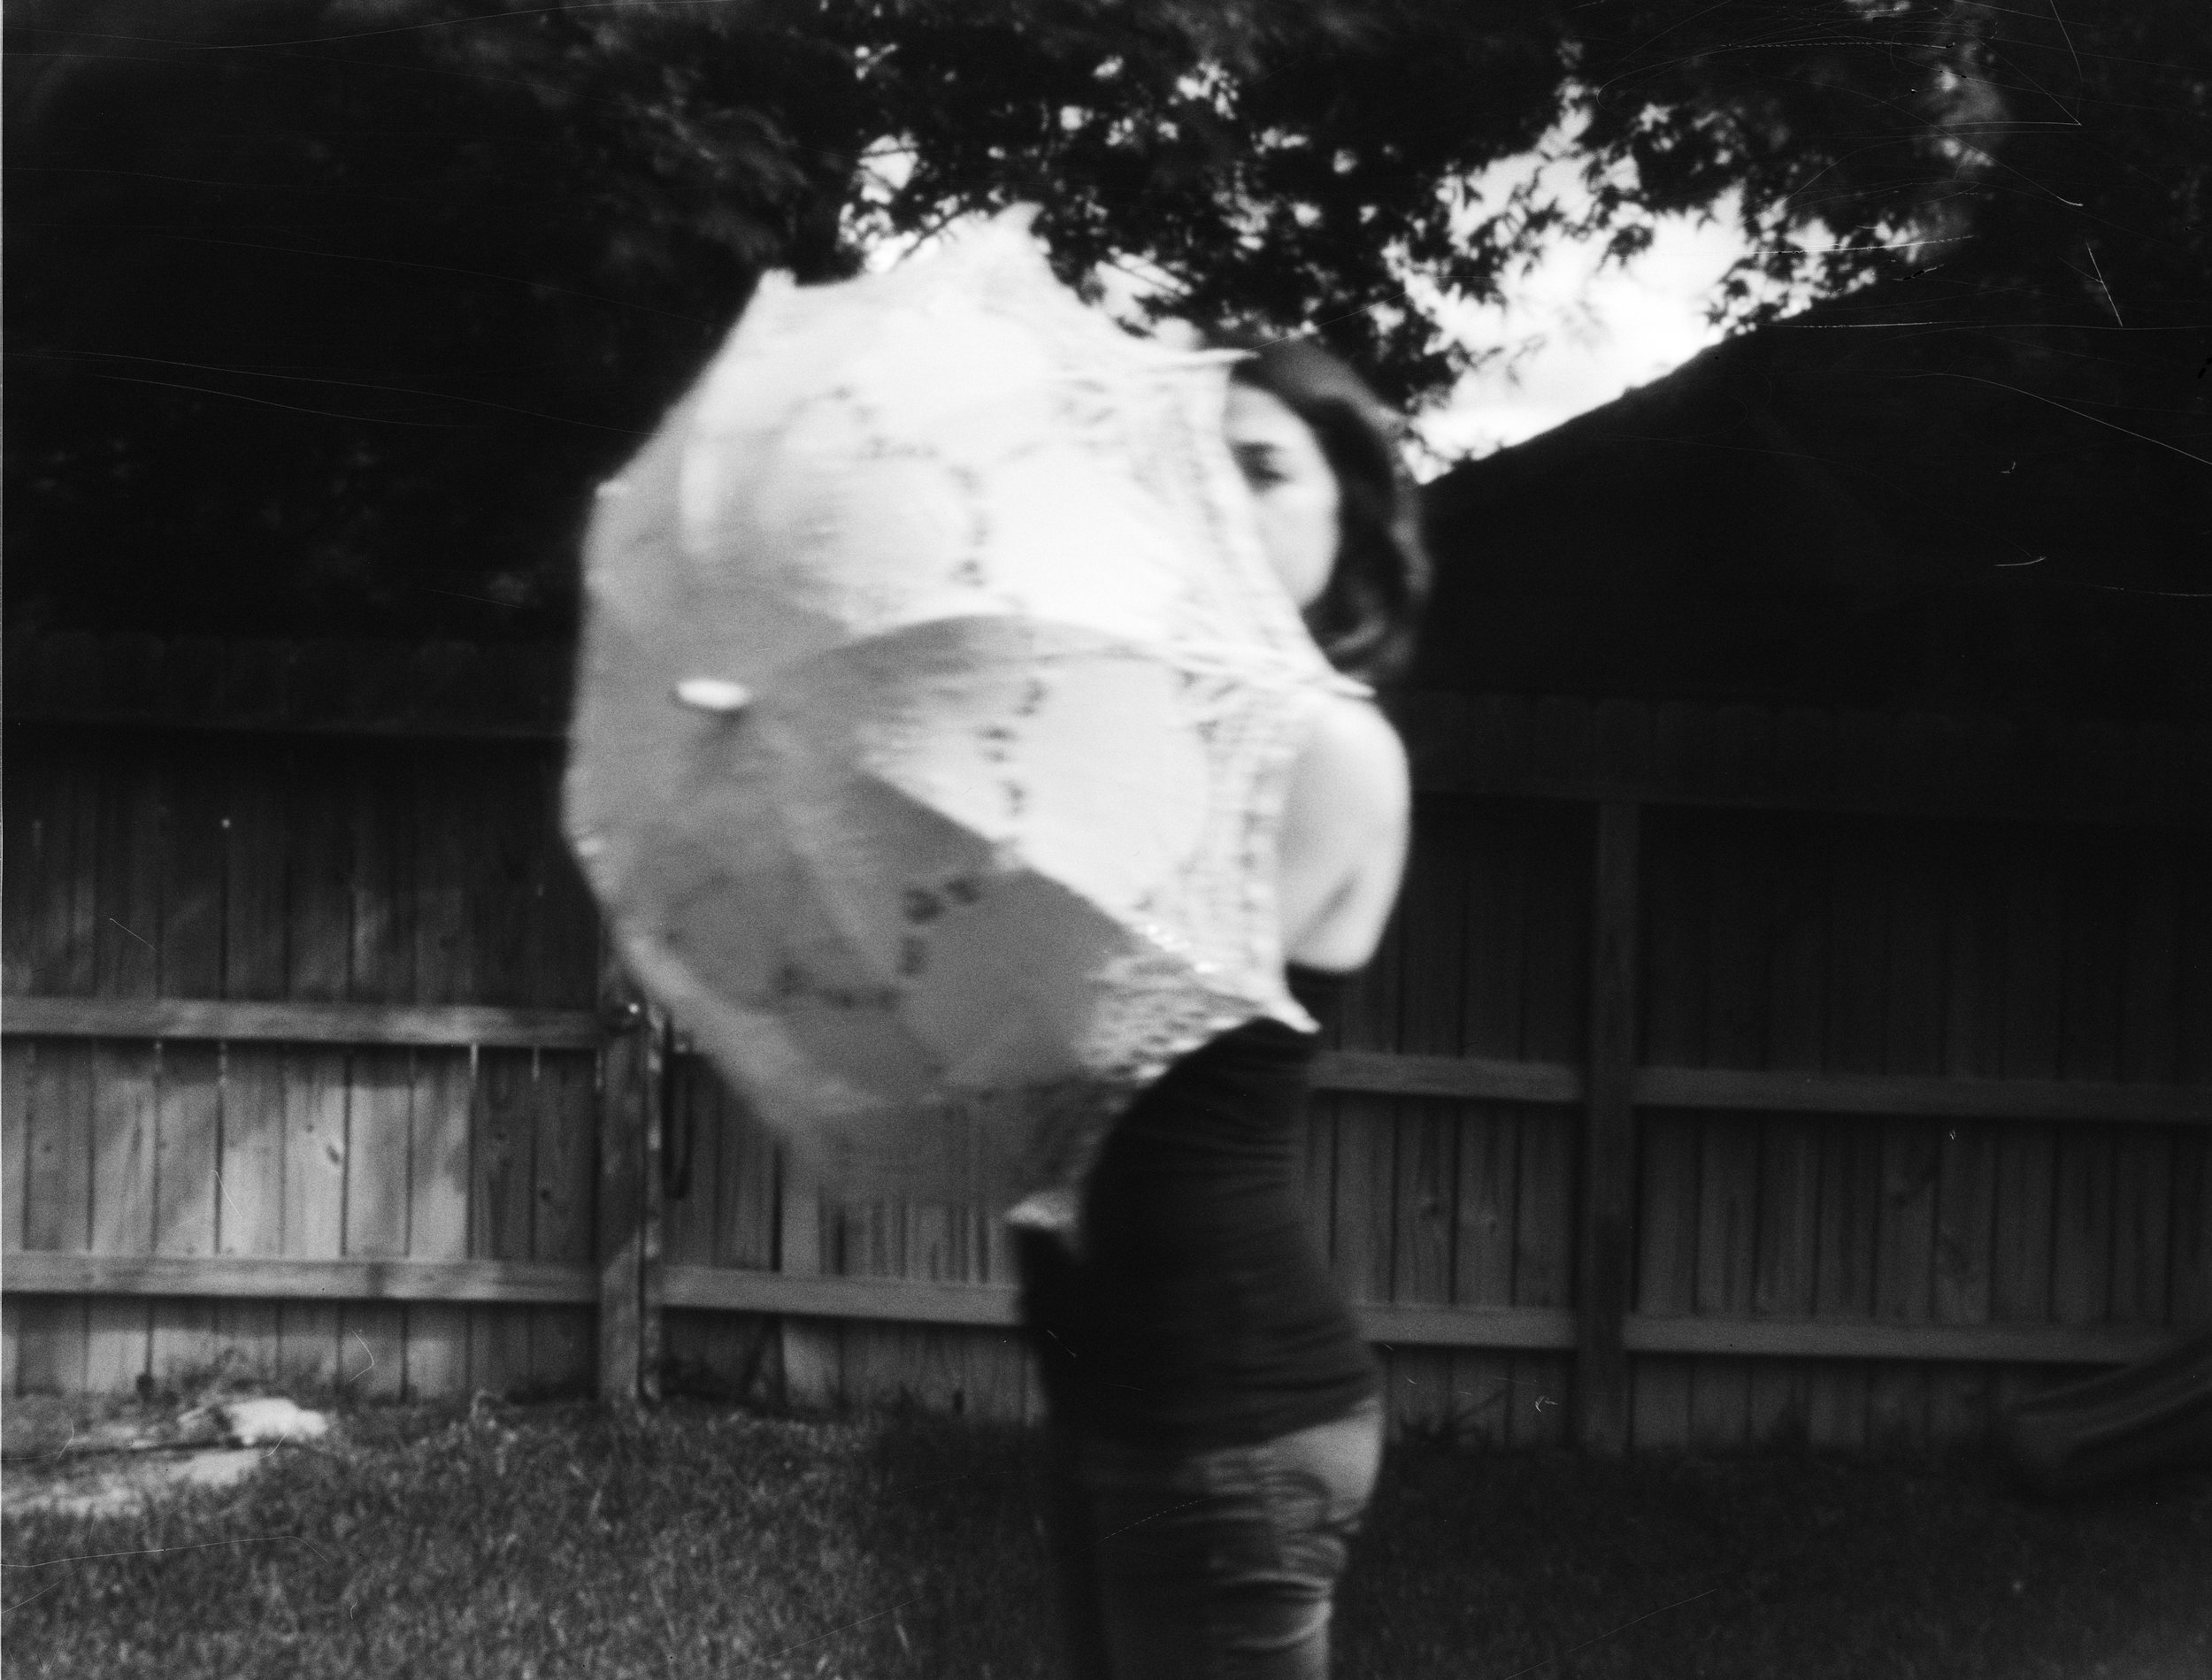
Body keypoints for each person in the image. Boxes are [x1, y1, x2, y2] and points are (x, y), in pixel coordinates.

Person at [1014, 332, 1432, 1680]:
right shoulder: (1164, 740)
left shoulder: (1328, 745)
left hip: (1230, 1410)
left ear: (1347, 516)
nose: (1219, 500)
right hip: (1130, 1388)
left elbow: (1113, 1006)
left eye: (1261, 468)